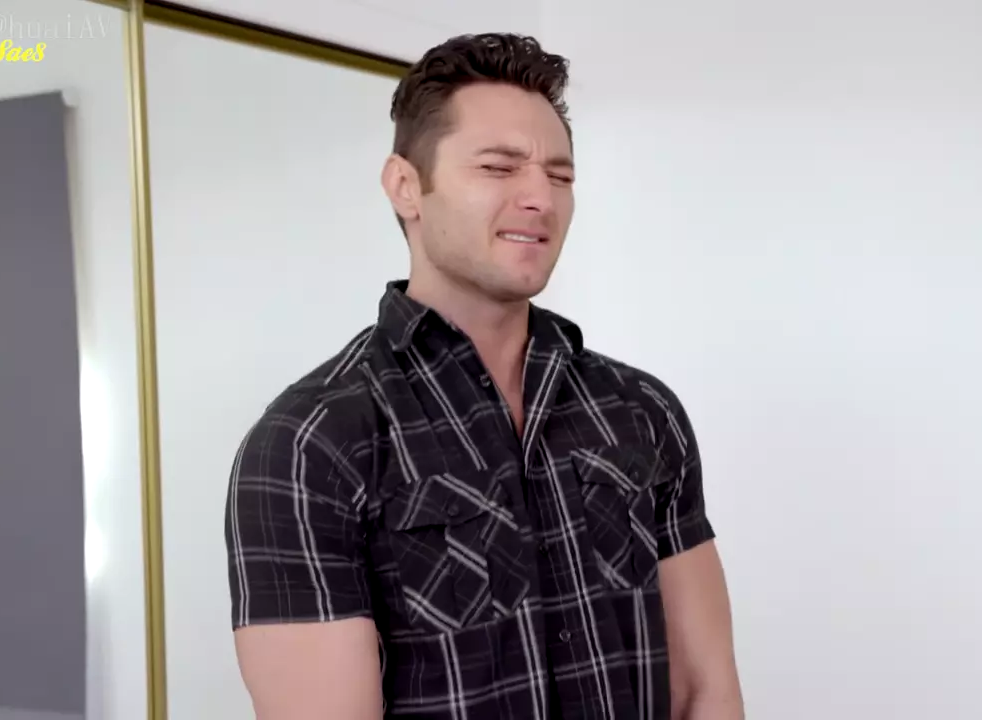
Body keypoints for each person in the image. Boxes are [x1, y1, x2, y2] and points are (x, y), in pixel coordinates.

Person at [224, 32, 743, 720]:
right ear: (405, 186)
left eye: (560, 176)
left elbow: (706, 691)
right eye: (500, 168)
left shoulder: (641, 410)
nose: (541, 198)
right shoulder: (311, 443)